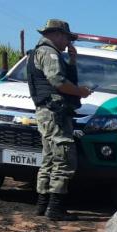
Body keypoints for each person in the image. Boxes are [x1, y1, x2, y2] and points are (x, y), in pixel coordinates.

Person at [27, 19, 91, 221]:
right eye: (67, 38)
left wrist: (72, 61)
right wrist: (80, 92)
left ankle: (42, 204)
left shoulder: (39, 52)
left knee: (49, 157)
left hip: (48, 112)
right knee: (64, 157)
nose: (68, 43)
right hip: (54, 113)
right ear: (57, 34)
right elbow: (58, 81)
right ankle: (55, 207)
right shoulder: (49, 53)